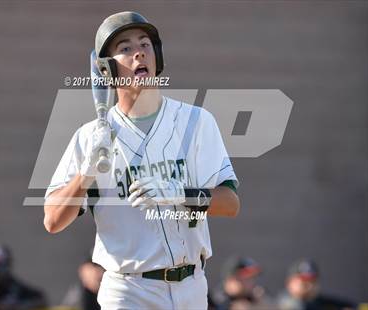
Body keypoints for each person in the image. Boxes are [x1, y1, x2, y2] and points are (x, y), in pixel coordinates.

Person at [44, 11, 240, 309]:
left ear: (157, 56)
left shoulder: (195, 122)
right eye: (125, 48)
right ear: (106, 69)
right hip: (128, 290)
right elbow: (53, 220)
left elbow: (230, 204)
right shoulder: (91, 137)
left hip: (192, 285)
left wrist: (180, 195)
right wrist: (85, 175)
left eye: (145, 44)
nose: (139, 53)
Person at [277, 259, 356, 310]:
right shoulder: (282, 304)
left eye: (313, 281)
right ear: (289, 283)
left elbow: (352, 305)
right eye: (303, 281)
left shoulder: (318, 301)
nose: (309, 285)